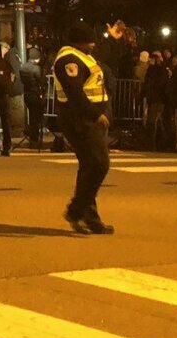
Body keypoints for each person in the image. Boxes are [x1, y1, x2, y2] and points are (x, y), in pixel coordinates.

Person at [53, 23, 113, 234]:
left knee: (89, 166)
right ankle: (76, 210)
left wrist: (111, 38)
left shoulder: (83, 56)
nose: (93, 45)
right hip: (79, 120)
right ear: (79, 42)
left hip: (87, 119)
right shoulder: (68, 60)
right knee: (100, 164)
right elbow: (75, 92)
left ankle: (89, 217)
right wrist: (95, 114)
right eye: (90, 41)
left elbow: (101, 58)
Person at [142, 51, 171, 151]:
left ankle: (152, 144)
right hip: (158, 99)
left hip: (156, 98)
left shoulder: (154, 71)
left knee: (152, 121)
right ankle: (163, 143)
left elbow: (149, 84)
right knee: (157, 121)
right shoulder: (162, 70)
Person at [21, 42, 47, 150]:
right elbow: (41, 81)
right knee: (36, 118)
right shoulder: (36, 69)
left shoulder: (23, 67)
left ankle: (32, 138)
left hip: (27, 94)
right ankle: (35, 140)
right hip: (35, 94)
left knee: (32, 117)